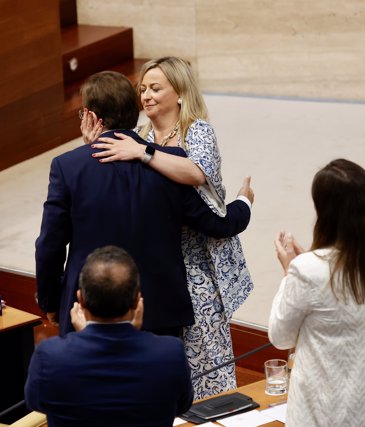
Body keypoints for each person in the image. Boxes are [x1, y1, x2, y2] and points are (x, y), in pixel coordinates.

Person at [35, 70, 254, 339]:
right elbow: (216, 224)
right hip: (157, 313)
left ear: (90, 116)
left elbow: (50, 245)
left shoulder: (68, 167)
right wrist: (244, 201)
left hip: (87, 307)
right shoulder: (169, 161)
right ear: (135, 110)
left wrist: (50, 300)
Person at [82, 56, 252, 398]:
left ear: (180, 92)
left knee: (206, 365)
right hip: (158, 264)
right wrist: (94, 147)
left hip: (196, 265)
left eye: (155, 88)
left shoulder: (197, 130)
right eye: (142, 88)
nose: (146, 95)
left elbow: (195, 172)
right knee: (163, 374)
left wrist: (143, 152)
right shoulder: (141, 135)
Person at [268, 159, 365, 427]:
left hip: (330, 415)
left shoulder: (307, 270)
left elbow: (281, 336)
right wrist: (308, 263)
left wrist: (290, 273)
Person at [25, 245, 194, 427]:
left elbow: (36, 402)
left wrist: (85, 336)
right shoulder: (170, 353)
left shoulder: (50, 356)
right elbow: (182, 404)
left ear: (80, 300)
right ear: (137, 300)